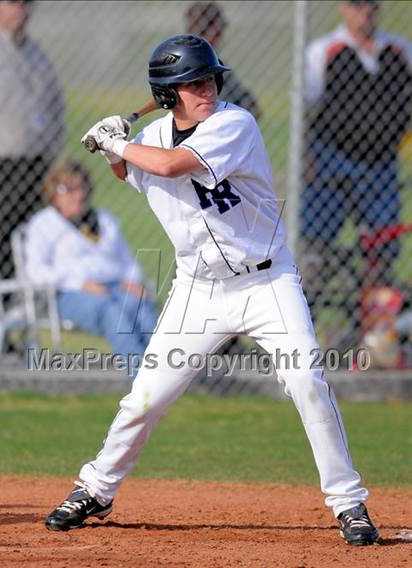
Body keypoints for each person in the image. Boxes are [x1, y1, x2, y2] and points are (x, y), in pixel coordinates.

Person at [45, 34, 379, 546]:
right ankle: (96, 488)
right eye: (191, 83)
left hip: (267, 282)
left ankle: (348, 501)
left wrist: (115, 142)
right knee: (145, 398)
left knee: (307, 382)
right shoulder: (153, 134)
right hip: (197, 291)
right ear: (167, 94)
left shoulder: (233, 123)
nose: (206, 88)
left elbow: (172, 166)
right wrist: (115, 146)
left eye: (208, 78)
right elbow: (130, 172)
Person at [300, 0, 411, 335]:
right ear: (343, 9)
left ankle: (374, 336)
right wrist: (307, 158)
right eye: (358, 5)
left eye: (372, 5)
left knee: (381, 253)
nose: (366, 12)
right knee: (316, 253)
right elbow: (305, 109)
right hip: (330, 165)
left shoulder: (399, 50)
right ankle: (300, 334)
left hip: (380, 166)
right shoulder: (325, 51)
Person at [24, 159, 157, 366]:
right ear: (53, 193)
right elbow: (35, 271)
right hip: (70, 294)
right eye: (67, 189)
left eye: (82, 187)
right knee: (111, 313)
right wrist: (79, 283)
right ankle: (143, 379)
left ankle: (171, 373)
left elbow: (127, 260)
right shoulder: (44, 223)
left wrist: (133, 281)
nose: (78, 195)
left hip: (115, 287)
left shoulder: (103, 219)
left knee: (139, 307)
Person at [0, 0, 65, 280]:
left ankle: (26, 294)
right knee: (1, 229)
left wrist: (52, 147)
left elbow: (56, 105)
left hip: (35, 161)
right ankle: (2, 297)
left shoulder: (36, 53)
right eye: (12, 4)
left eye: (24, 4)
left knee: (32, 229)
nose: (20, 10)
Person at [185, 1, 261, 120]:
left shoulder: (216, 65)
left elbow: (252, 108)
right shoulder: (185, 66)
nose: (219, 34)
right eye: (211, 28)